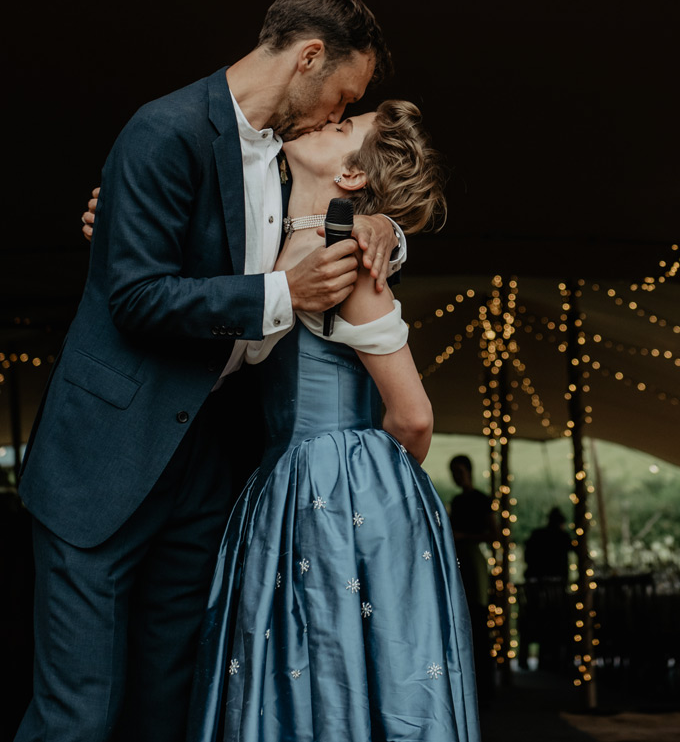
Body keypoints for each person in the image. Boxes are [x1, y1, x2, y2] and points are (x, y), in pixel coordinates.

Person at [15, 0, 408, 742]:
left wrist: (388, 225)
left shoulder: (288, 152)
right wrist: (281, 292)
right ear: (309, 57)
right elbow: (135, 296)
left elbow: (349, 194)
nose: (338, 114)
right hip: (105, 457)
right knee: (79, 713)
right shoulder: (165, 131)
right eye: (344, 95)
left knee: (171, 701)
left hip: (202, 466)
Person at [189, 98, 478, 741]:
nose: (323, 121)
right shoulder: (272, 238)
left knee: (330, 659)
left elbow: (413, 417)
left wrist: (369, 495)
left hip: (332, 486)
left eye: (343, 127)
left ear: (351, 177)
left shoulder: (347, 254)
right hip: (277, 482)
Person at [448, 454, 496, 699]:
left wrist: (465, 537)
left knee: (477, 616)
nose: (456, 477)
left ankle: (485, 686)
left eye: (459, 472)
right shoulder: (456, 501)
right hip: (458, 559)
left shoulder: (480, 499)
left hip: (472, 559)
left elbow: (495, 534)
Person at [520, 507, 573, 671]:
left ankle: (544, 657)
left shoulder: (537, 535)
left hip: (535, 592)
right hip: (550, 595)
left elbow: (527, 556)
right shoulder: (562, 537)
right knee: (559, 616)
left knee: (541, 616)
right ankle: (555, 659)